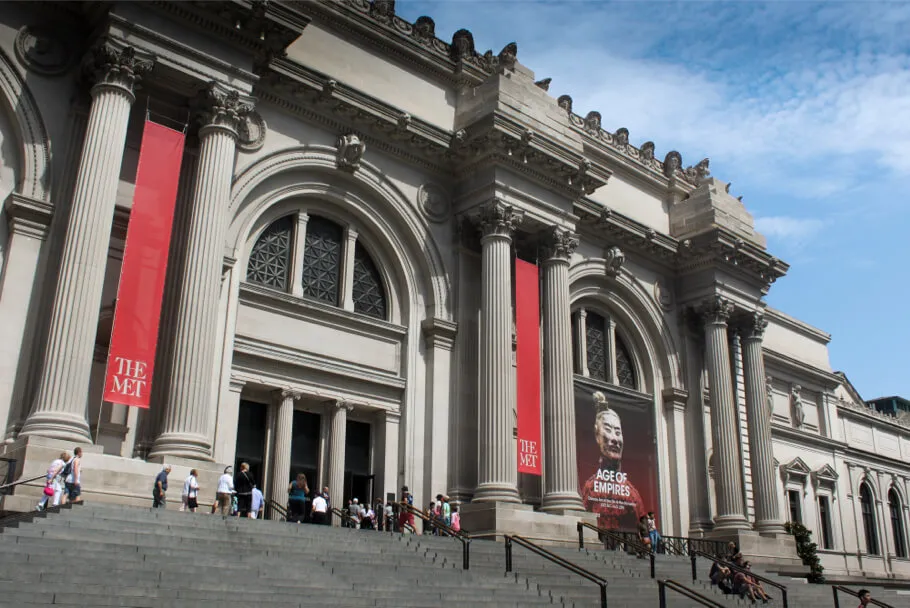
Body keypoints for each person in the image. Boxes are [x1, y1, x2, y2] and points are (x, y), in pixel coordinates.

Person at [581, 392, 646, 530]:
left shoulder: (633, 495)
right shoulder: (589, 488)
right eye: (608, 430)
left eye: (618, 432)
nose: (615, 439)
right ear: (597, 435)